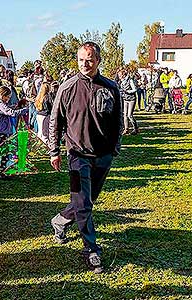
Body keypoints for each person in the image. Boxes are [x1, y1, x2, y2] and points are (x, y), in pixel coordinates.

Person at [49, 42, 122, 274]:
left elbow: (118, 122)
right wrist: (54, 151)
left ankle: (60, 220)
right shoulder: (67, 87)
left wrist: (114, 149)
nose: (85, 64)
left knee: (86, 202)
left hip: (103, 157)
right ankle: (91, 249)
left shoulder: (111, 88)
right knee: (83, 202)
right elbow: (55, 120)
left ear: (98, 60)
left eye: (89, 59)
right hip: (76, 155)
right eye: (81, 59)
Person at [0, 86, 28, 179]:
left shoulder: (0, 103)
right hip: (1, 132)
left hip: (2, 131)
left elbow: (9, 108)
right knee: (4, 152)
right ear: (2, 95)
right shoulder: (0, 104)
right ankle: (2, 172)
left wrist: (16, 106)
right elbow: (11, 113)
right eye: (8, 97)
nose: (8, 99)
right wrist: (25, 110)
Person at [118, 69, 139, 135]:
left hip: (132, 99)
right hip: (125, 99)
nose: (119, 77)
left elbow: (135, 89)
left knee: (130, 115)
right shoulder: (122, 82)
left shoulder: (130, 80)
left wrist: (127, 91)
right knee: (125, 115)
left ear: (123, 75)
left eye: (120, 75)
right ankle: (126, 129)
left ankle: (136, 129)